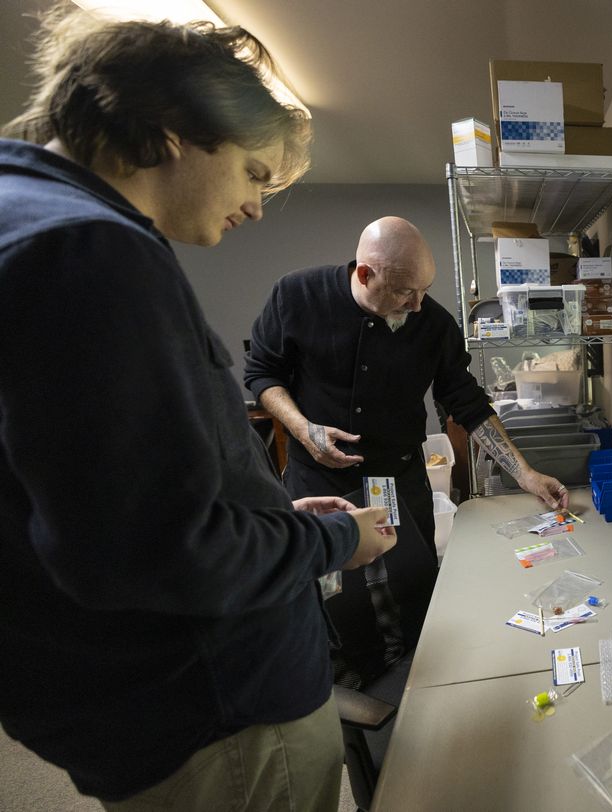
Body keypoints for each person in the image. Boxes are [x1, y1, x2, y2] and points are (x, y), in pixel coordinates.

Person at [0, 6, 396, 810]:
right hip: (218, 713)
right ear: (175, 130)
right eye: (254, 172)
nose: (255, 207)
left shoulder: (25, 216)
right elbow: (154, 550)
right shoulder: (91, 252)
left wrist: (270, 517)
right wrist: (328, 538)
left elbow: (116, 493)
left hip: (126, 703)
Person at [244, 215, 570, 687]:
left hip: (396, 476)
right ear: (364, 274)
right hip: (318, 479)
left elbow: (467, 402)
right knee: (338, 597)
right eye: (403, 292)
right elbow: (261, 374)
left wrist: (526, 475)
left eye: (424, 290)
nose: (417, 305)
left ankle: (419, 682)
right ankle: (355, 681)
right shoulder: (297, 296)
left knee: (412, 584)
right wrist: (303, 429)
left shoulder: (432, 324)